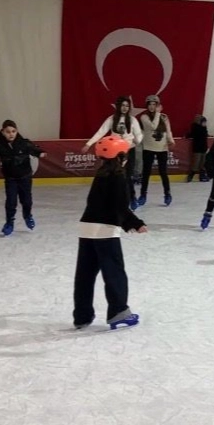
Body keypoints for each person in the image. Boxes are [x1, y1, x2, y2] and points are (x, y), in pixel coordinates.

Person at [73, 135, 145, 331]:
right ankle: (118, 311)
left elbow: (94, 203)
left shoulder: (101, 174)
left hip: (87, 227)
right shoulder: (119, 177)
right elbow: (120, 206)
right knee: (114, 272)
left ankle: (81, 316)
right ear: (120, 157)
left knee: (85, 274)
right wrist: (136, 223)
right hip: (104, 230)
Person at [82, 96, 143, 210]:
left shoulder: (133, 120)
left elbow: (139, 134)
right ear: (118, 106)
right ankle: (114, 200)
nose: (125, 108)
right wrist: (88, 144)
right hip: (115, 152)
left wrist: (136, 141)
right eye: (123, 105)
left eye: (127, 106)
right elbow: (101, 132)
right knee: (115, 176)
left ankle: (132, 198)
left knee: (127, 176)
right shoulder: (111, 119)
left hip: (129, 150)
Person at [0, 120, 46, 236]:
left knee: (26, 200)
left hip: (25, 177)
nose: (11, 134)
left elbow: (34, 149)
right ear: (3, 132)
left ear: (17, 131)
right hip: (10, 179)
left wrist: (40, 153)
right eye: (8, 132)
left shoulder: (24, 143)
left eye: (13, 131)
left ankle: (27, 216)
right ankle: (9, 223)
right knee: (11, 201)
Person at [138, 95, 175, 207]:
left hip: (162, 148)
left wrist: (171, 140)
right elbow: (153, 126)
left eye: (154, 104)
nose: (152, 107)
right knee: (146, 172)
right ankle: (143, 194)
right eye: (150, 104)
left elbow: (168, 130)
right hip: (148, 147)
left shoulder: (164, 117)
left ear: (158, 105)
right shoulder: (144, 117)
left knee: (163, 172)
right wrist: (158, 113)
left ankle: (167, 194)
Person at [185, 114, 209, 182]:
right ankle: (190, 176)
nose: (205, 123)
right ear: (199, 122)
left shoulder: (204, 129)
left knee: (203, 163)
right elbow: (191, 135)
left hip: (203, 148)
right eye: (203, 122)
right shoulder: (196, 128)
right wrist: (187, 136)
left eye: (205, 122)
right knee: (196, 163)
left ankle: (202, 176)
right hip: (197, 149)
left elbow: (205, 137)